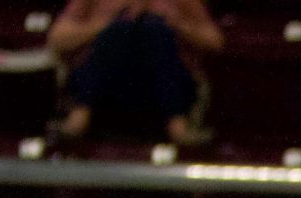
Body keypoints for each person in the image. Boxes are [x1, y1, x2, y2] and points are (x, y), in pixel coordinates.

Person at [45, 0, 221, 147]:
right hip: (107, 81)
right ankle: (81, 113)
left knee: (154, 30)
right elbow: (57, 39)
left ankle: (177, 123)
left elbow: (214, 41)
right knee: (119, 30)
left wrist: (176, 24)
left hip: (162, 81)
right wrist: (103, 25)